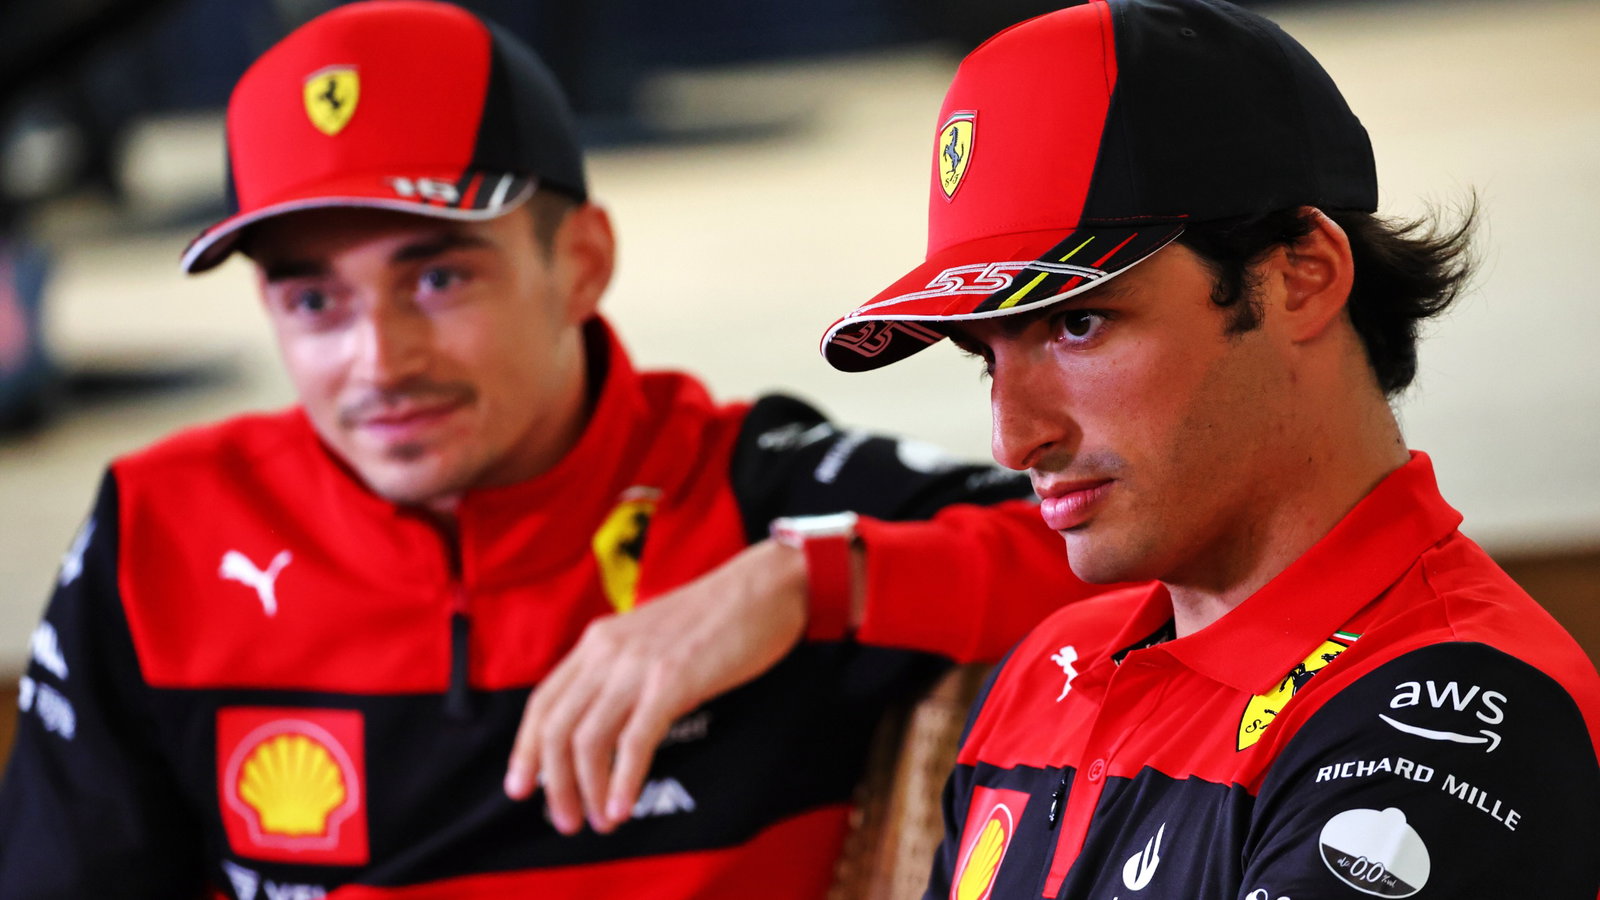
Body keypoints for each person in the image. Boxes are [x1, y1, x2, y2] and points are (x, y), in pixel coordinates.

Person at [0, 2, 1100, 896]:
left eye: (438, 279)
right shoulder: (160, 533)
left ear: (580, 261)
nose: (378, 359)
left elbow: (1169, 559)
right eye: (311, 299)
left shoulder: (757, 489)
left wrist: (808, 581)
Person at [815, 1, 1600, 898]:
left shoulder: (1456, 719)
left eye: (1079, 324)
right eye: (986, 358)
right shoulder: (1047, 670)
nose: (1014, 438)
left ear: (1303, 276)